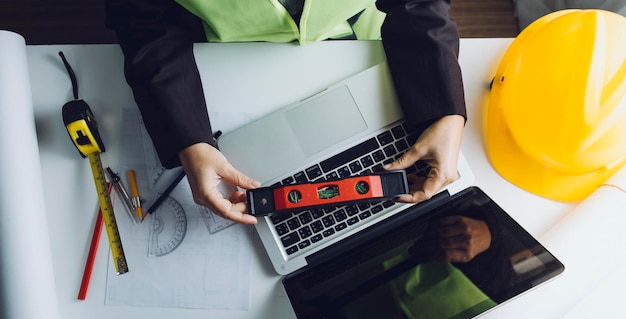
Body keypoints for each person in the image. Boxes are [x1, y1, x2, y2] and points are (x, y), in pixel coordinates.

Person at [104, 0, 467, 225]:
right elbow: (143, 24)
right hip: (229, 55)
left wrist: (444, 110)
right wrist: (188, 138)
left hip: (361, 44)